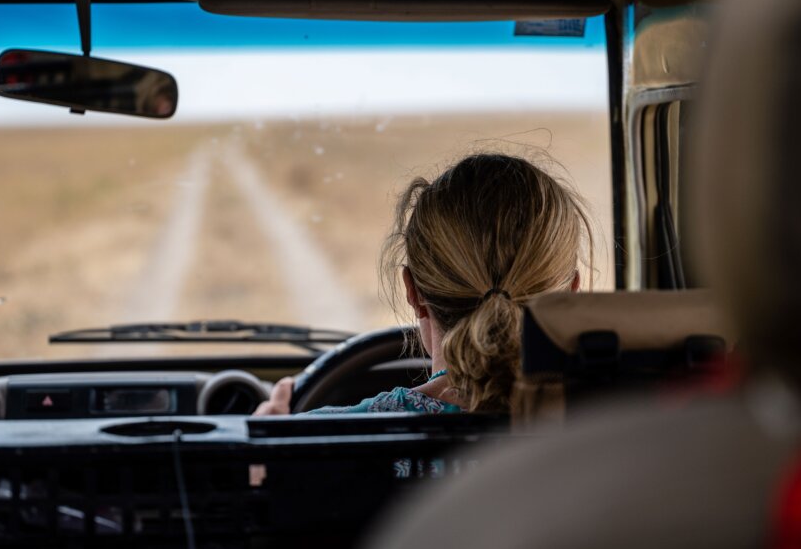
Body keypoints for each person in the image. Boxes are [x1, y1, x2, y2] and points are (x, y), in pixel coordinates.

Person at [327, 0, 801, 549]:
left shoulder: (380, 485)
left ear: (415, 292)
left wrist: (278, 420)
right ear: (572, 286)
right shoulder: (729, 461)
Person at [253, 153, 593, 416]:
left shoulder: (310, 447)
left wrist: (265, 451)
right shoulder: (629, 433)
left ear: (412, 291)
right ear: (571, 293)